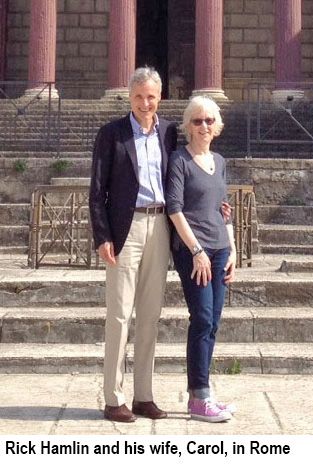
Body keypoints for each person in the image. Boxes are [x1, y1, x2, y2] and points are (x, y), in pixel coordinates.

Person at [89, 67, 177, 422]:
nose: (145, 103)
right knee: (120, 315)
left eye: (151, 97)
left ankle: (144, 395)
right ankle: (114, 397)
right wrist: (102, 236)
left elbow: (180, 177)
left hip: (160, 227)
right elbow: (97, 191)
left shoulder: (170, 132)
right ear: (130, 97)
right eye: (139, 96)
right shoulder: (111, 133)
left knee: (151, 316)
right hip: (126, 229)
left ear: (160, 98)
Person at [166, 96, 237, 423]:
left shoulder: (220, 161)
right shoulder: (179, 160)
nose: (204, 126)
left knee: (214, 321)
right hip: (194, 252)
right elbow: (175, 209)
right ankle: (199, 397)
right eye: (197, 121)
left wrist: (233, 249)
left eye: (209, 121)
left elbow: (224, 209)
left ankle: (203, 393)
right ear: (187, 126)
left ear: (217, 126)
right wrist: (195, 251)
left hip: (220, 249)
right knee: (203, 318)